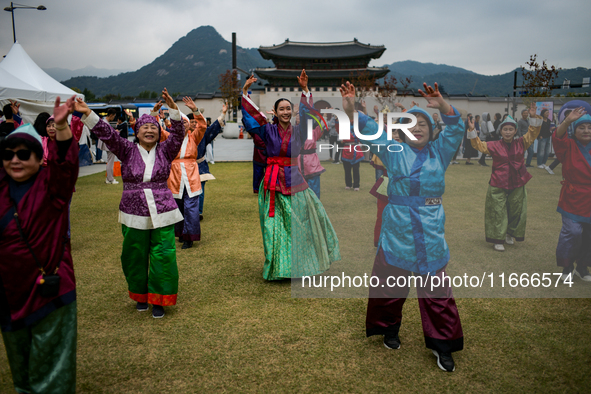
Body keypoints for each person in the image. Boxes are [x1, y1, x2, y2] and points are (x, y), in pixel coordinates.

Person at [344, 81, 464, 372]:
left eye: (423, 123)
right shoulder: (393, 149)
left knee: (436, 288)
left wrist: (444, 104)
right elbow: (369, 129)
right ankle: (388, 329)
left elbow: (456, 127)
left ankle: (443, 345)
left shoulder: (441, 152)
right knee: (390, 284)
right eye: (412, 123)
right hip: (398, 227)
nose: (418, 128)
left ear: (431, 130)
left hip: (431, 229)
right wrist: (351, 109)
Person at [77, 88, 185, 319]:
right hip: (133, 210)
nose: (149, 130)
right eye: (144, 127)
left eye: (153, 127)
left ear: (159, 133)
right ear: (136, 132)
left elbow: (178, 134)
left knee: (163, 253)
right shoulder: (127, 150)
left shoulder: (167, 151)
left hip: (163, 209)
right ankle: (140, 294)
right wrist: (88, 114)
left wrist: (173, 109)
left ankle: (159, 299)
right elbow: (108, 135)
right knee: (134, 253)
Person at [0, 96, 79, 393]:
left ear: (38, 158)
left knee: (52, 376)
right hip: (10, 295)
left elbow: (66, 163)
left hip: (50, 292)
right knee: (21, 372)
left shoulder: (53, 188)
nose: (16, 160)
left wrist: (61, 126)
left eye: (24, 154)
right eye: (8, 155)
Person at [241, 70, 340, 280]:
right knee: (274, 228)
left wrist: (305, 91)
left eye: (289, 108)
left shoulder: (300, 130)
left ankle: (302, 264)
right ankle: (278, 267)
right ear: (275, 113)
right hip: (272, 182)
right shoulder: (266, 130)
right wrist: (245, 92)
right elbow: (251, 119)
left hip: (296, 181)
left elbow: (308, 114)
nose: (286, 112)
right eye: (281, 109)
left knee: (302, 223)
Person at [467, 104, 541, 251]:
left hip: (517, 181)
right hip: (498, 182)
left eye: (511, 129)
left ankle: (509, 233)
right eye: (505, 129)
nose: (508, 132)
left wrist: (533, 117)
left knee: (515, 209)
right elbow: (479, 145)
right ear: (500, 131)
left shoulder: (522, 143)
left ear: (515, 131)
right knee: (497, 210)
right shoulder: (494, 145)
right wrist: (471, 130)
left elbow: (532, 133)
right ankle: (497, 239)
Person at [552, 107, 591, 282]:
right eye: (581, 127)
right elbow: (558, 136)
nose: (586, 131)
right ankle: (567, 266)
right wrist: (567, 120)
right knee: (573, 232)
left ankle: (582, 266)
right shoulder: (568, 145)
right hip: (572, 196)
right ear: (574, 131)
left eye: (590, 127)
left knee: (589, 234)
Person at [194, 104, 226, 221]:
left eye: (195, 121)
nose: (193, 124)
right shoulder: (182, 135)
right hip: (185, 167)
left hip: (200, 165)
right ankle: (187, 212)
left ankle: (198, 212)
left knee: (200, 190)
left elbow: (213, 128)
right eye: (190, 121)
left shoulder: (203, 133)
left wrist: (223, 114)